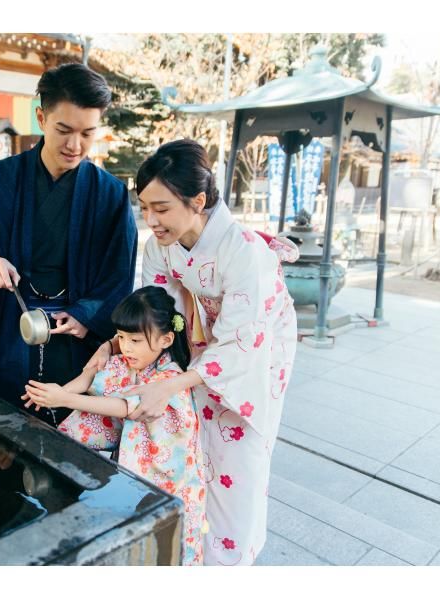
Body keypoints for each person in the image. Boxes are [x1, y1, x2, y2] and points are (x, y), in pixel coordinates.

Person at [88, 139, 300, 566]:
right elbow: (155, 314)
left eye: (161, 208)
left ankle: (230, 562)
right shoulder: (159, 246)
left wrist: (170, 382)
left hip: (255, 354)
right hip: (199, 342)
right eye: (144, 207)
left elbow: (243, 343)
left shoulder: (245, 252)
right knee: (191, 446)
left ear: (198, 200)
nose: (150, 220)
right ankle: (191, 555)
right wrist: (111, 346)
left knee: (238, 460)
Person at [0, 63, 137, 426]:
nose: (75, 145)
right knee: (7, 420)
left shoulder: (111, 194)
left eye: (88, 133)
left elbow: (120, 274)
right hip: (14, 322)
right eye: (64, 130)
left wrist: (88, 316)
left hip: (75, 331)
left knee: (70, 429)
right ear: (41, 117)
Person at [22, 286, 206, 565]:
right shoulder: (126, 360)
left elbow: (126, 407)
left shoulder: (170, 376)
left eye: (135, 340)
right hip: (136, 468)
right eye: (121, 337)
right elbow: (88, 380)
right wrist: (53, 396)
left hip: (169, 476)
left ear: (166, 339)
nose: (126, 347)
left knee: (169, 546)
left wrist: (64, 398)